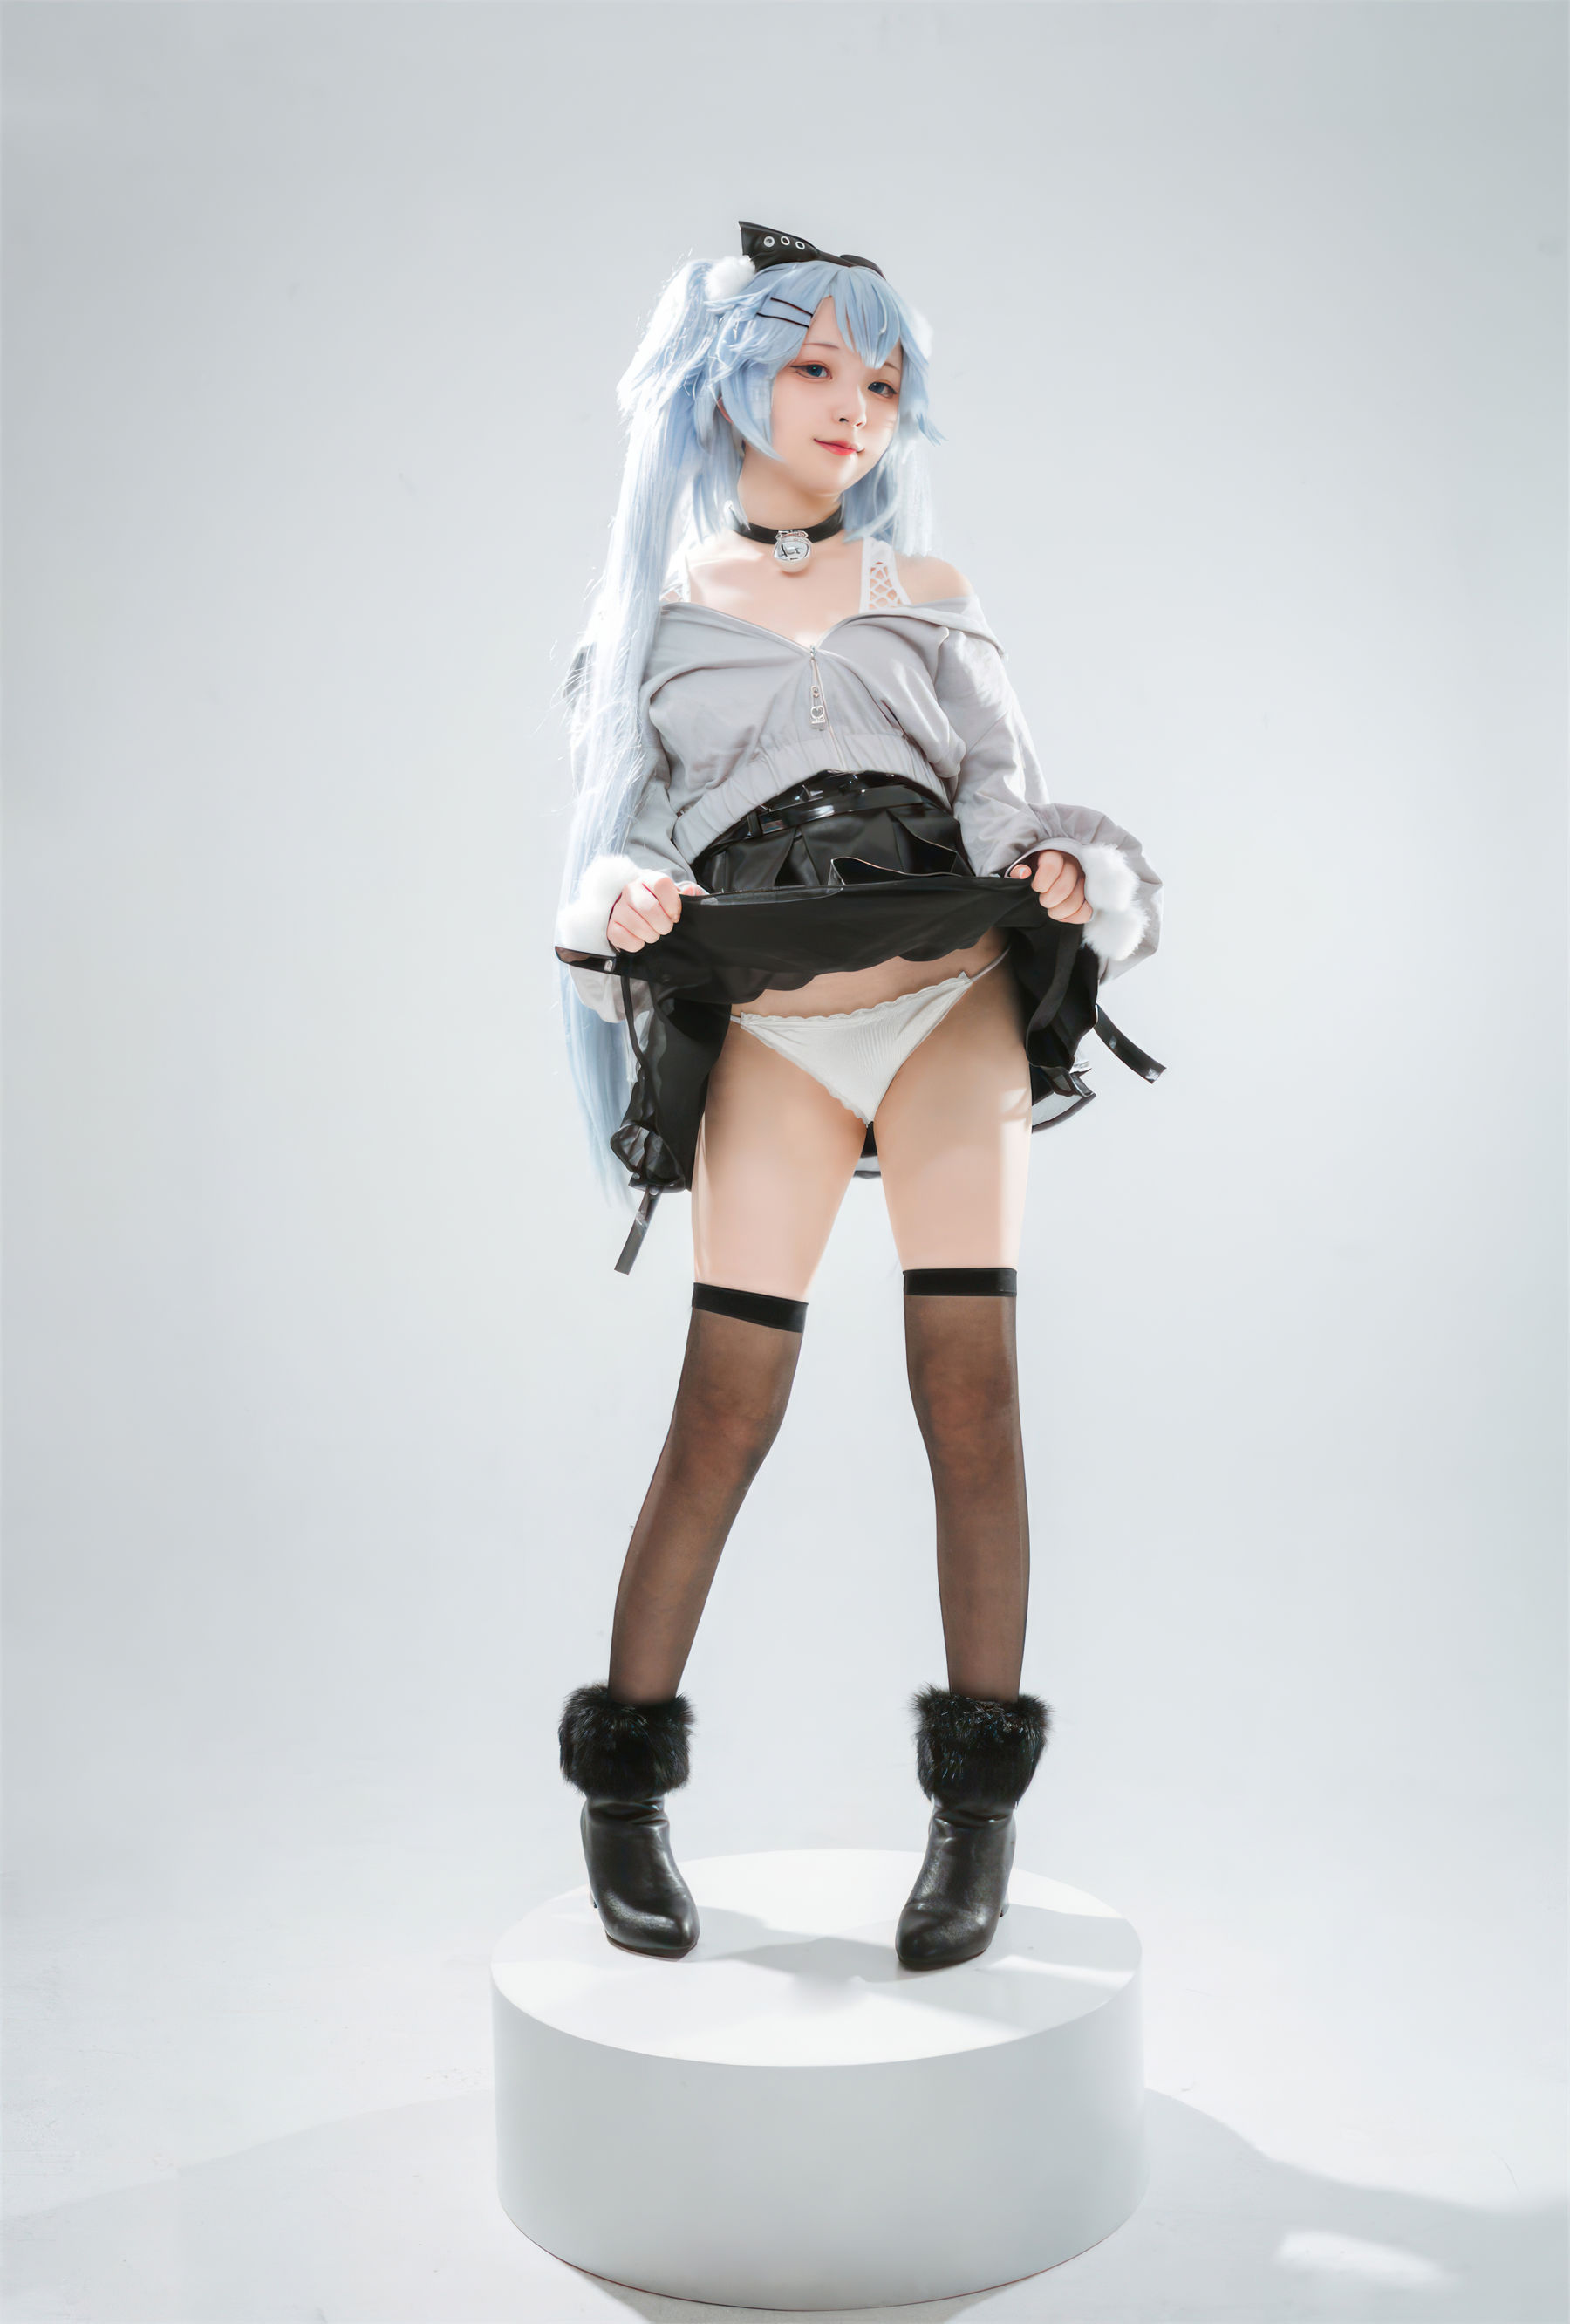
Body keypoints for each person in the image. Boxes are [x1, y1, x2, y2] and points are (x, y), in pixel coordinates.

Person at [550, 221, 1163, 1971]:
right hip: (773, 1025)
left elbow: (1003, 801)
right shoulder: (652, 618)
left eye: (882, 381)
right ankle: (623, 1798)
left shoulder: (931, 591)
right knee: (723, 1410)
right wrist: (627, 900)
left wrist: (1067, 877)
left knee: (973, 1395)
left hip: (947, 1000)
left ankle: (975, 1822)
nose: (854, 408)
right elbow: (615, 847)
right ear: (728, 382)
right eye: (817, 366)